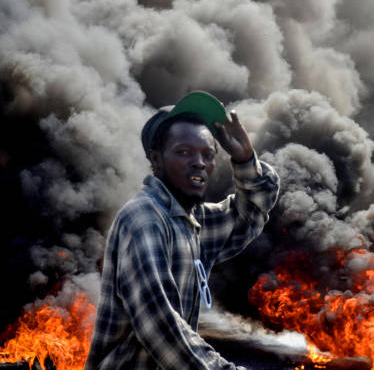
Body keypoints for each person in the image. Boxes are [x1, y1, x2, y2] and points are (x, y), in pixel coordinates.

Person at [85, 91, 280, 370]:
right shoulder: (144, 219)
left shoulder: (193, 222)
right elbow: (160, 326)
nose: (199, 162)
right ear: (156, 159)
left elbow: (252, 212)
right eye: (184, 152)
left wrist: (245, 158)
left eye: (207, 155)